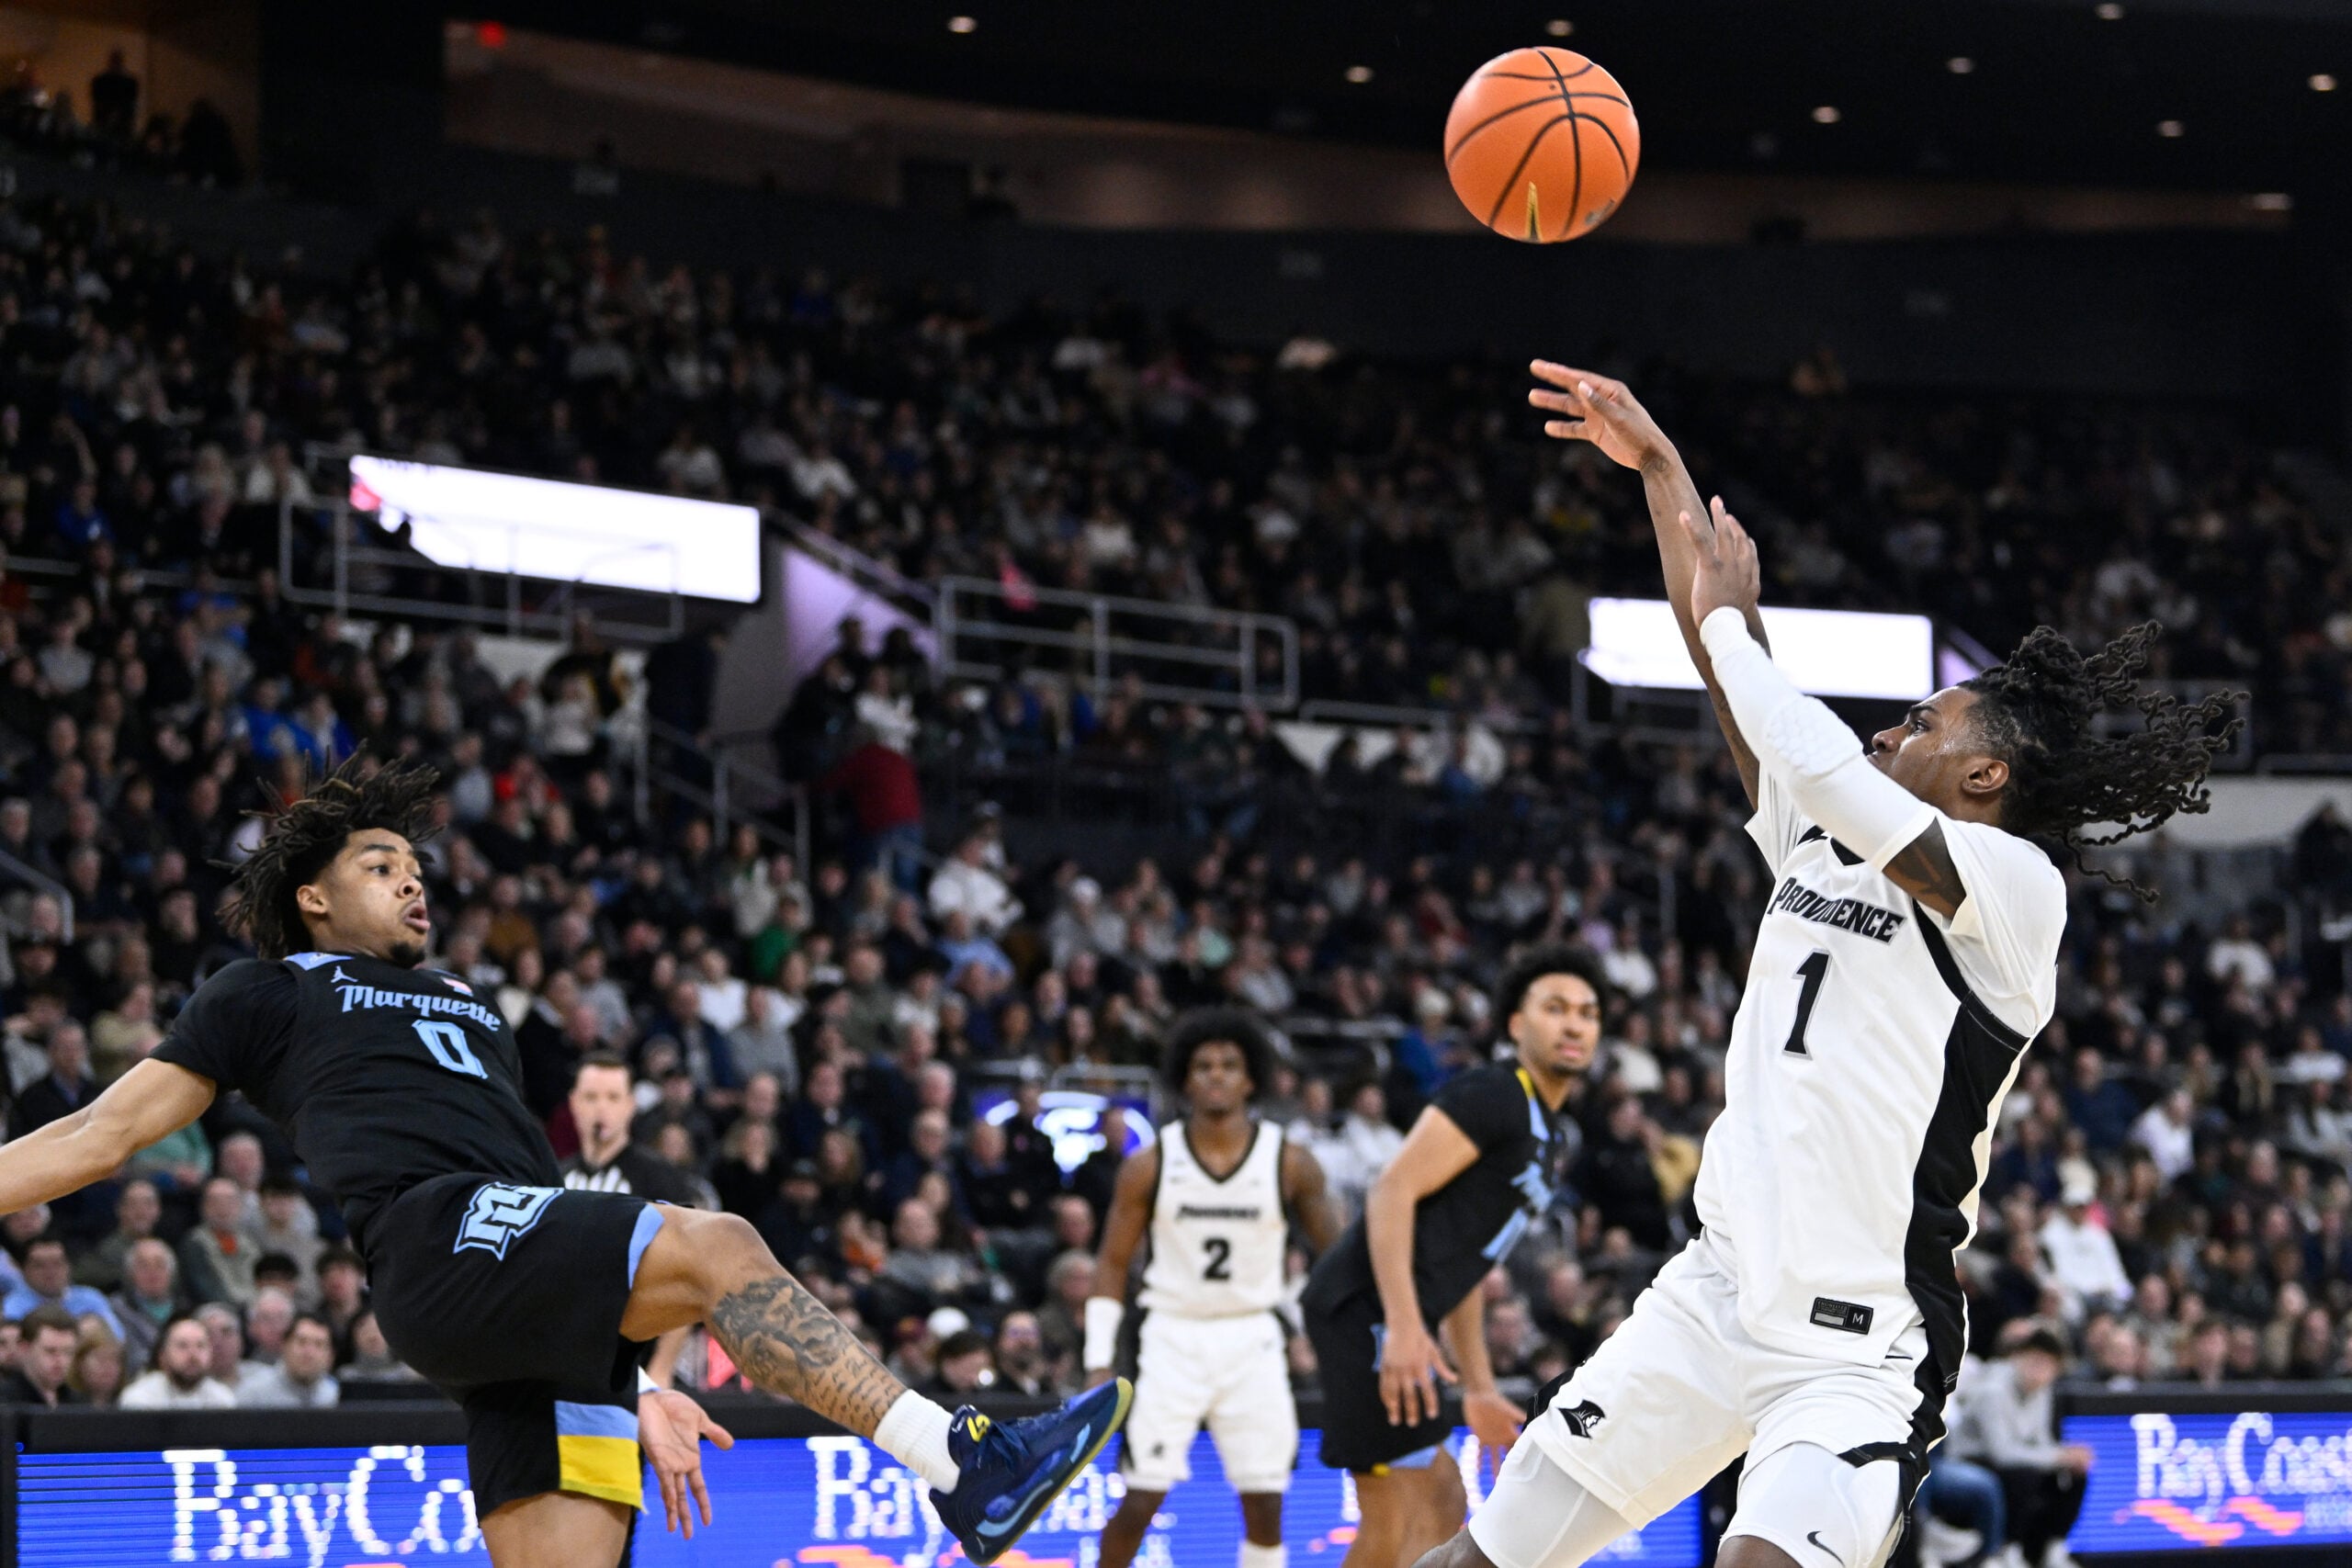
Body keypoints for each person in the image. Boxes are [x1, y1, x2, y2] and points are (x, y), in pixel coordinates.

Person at [1430, 367, 2236, 1568]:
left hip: (1859, 1351)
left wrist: (1726, 621)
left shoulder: (2011, 889)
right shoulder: (1822, 840)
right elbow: (1746, 702)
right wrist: (1662, 476)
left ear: (1982, 780)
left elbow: (1799, 741)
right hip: (1708, 1299)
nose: (1892, 728)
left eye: (1922, 724)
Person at [0, 757, 1128, 1567]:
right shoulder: (268, 987)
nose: (412, 882)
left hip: (515, 1302)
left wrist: (636, 1379)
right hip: (437, 1236)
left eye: (416, 867)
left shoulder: (471, 1005)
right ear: (311, 894)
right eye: (380, 864)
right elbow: (98, 1135)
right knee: (719, 1238)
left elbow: (535, 1222)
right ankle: (963, 1461)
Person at [1300, 945, 1604, 1568]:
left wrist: (1480, 1386)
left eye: (1587, 1012)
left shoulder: (1547, 1133)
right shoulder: (1494, 1091)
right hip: (1367, 1311)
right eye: (1555, 1008)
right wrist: (1408, 1326)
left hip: (1387, 1316)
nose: (1574, 1024)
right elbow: (1392, 1188)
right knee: (1405, 1508)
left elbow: (1468, 1265)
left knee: (1435, 1502)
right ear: (1516, 1024)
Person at [1089, 1010, 1341, 1568]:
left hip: (1253, 1338)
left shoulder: (1290, 1163)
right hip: (1171, 1339)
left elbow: (1340, 1258)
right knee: (1141, 1499)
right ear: (1184, 1079)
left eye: (1230, 1065)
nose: (1217, 1076)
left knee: (1266, 1505)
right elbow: (1110, 1264)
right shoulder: (1150, 1163)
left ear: (1252, 1078)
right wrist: (1097, 1358)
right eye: (1204, 1066)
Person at [117, 1313, 238, 1409]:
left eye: (200, 1346)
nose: (193, 1354)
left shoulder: (222, 1399)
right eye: (182, 1346)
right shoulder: (139, 1398)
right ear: (162, 1357)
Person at [239, 1311, 341, 1407]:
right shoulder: (254, 1393)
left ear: (331, 1356)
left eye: (319, 1344)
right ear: (284, 1346)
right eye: (302, 1342)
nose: (309, 1352)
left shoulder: (334, 1395)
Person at [4, 1305, 83, 1405]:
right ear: (24, 1349)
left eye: (67, 1352)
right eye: (50, 1351)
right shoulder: (5, 1403)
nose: (60, 1360)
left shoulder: (80, 1404)